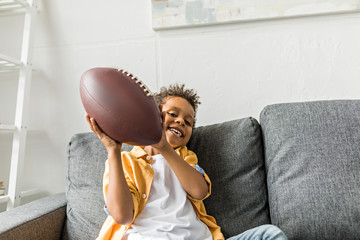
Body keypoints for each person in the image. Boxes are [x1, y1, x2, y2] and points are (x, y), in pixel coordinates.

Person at [86, 84, 287, 240]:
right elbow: (122, 215)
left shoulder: (185, 157)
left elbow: (199, 191)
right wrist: (113, 150)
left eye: (188, 122)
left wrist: (165, 148)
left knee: (268, 234)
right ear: (153, 116)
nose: (181, 121)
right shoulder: (125, 161)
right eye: (173, 114)